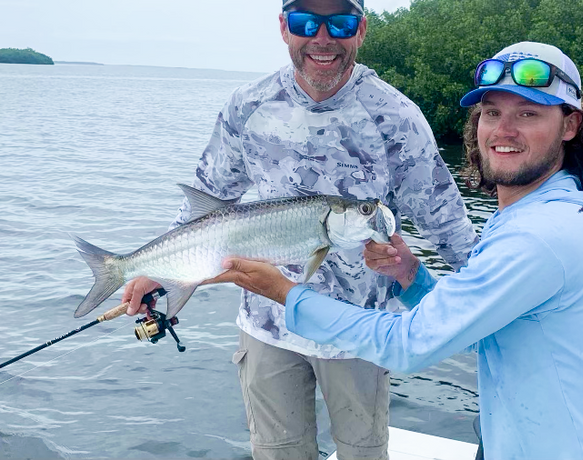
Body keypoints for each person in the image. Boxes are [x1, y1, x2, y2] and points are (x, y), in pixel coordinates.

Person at [214, 41, 583, 459]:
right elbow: (482, 333)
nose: (503, 130)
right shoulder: (557, 214)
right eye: (492, 112)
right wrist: (412, 277)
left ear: (570, 125)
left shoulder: (539, 237)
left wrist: (286, 294)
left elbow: (409, 344)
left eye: (529, 114)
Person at [122, 1, 478, 459]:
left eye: (341, 22)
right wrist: (159, 269)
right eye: (306, 22)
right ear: (283, 28)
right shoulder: (248, 105)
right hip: (267, 325)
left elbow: (446, 220)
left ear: (362, 30)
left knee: (363, 453)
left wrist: (499, 296)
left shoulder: (396, 116)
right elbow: (206, 195)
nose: (323, 38)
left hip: (361, 331)